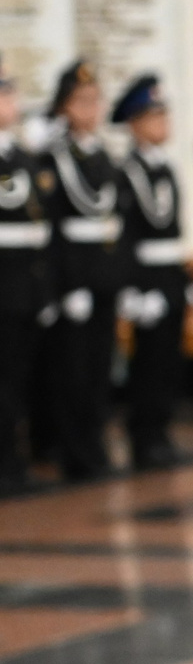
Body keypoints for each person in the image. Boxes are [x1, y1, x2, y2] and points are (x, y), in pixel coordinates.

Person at [38, 61, 120, 481]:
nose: (92, 109)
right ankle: (75, 454)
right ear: (64, 107)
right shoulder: (54, 159)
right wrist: (66, 285)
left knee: (99, 370)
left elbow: (113, 223)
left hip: (103, 277)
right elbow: (51, 229)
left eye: (96, 100)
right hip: (74, 279)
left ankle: (96, 447)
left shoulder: (102, 155)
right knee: (71, 373)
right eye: (82, 101)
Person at [110, 75, 190, 470]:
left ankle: (162, 431)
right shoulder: (127, 172)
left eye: (164, 115)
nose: (163, 124)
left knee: (170, 362)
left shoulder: (165, 168)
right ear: (135, 124)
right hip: (145, 276)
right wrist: (133, 288)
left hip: (170, 274)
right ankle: (144, 437)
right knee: (149, 363)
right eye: (154, 117)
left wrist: (183, 279)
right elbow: (124, 236)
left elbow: (172, 227)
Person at [0, 58, 48, 493]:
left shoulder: (19, 155)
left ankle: (14, 462)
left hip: (25, 286)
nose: (10, 102)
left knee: (19, 379)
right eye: (3, 93)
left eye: (11, 93)